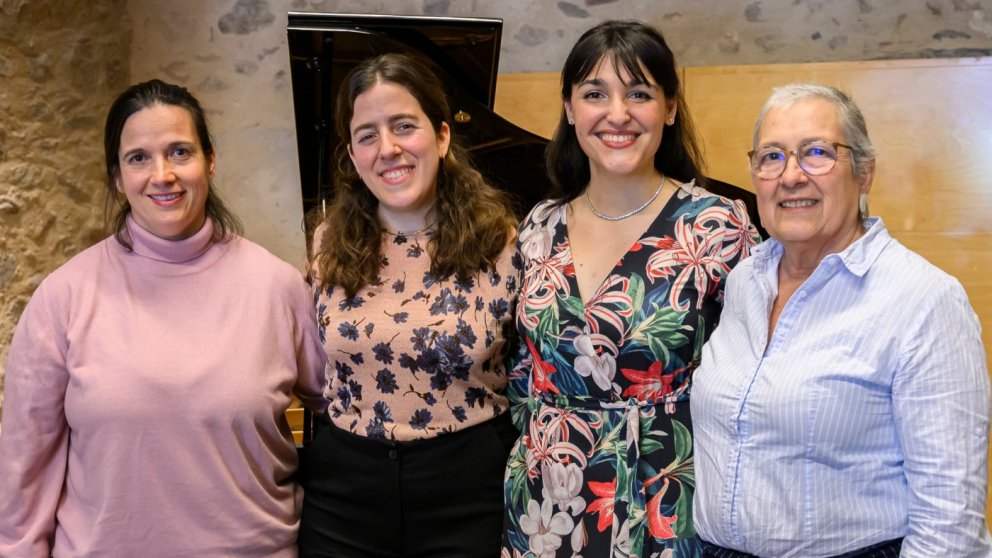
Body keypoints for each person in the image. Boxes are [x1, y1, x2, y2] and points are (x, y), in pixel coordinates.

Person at [0, 79, 329, 556]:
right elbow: (23, 468)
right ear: (117, 177)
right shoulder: (63, 298)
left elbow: (346, 409)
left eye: (179, 152)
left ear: (210, 162)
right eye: (138, 158)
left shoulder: (278, 288)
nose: (162, 175)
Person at [691, 83, 992, 557]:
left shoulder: (924, 301)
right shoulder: (744, 280)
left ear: (865, 172)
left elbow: (948, 524)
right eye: (771, 157)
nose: (791, 176)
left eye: (817, 152)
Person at [501, 20, 761, 558]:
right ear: (571, 109)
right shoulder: (539, 225)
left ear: (668, 108)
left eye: (638, 93)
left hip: (668, 490)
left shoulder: (717, 226)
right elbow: (520, 371)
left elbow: (757, 376)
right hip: (546, 498)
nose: (617, 114)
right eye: (595, 94)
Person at [297, 52, 521, 558]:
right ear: (352, 155)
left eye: (403, 126)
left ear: (442, 137)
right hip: (344, 492)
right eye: (367, 135)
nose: (388, 148)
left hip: (467, 486)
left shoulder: (501, 241)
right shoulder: (327, 241)